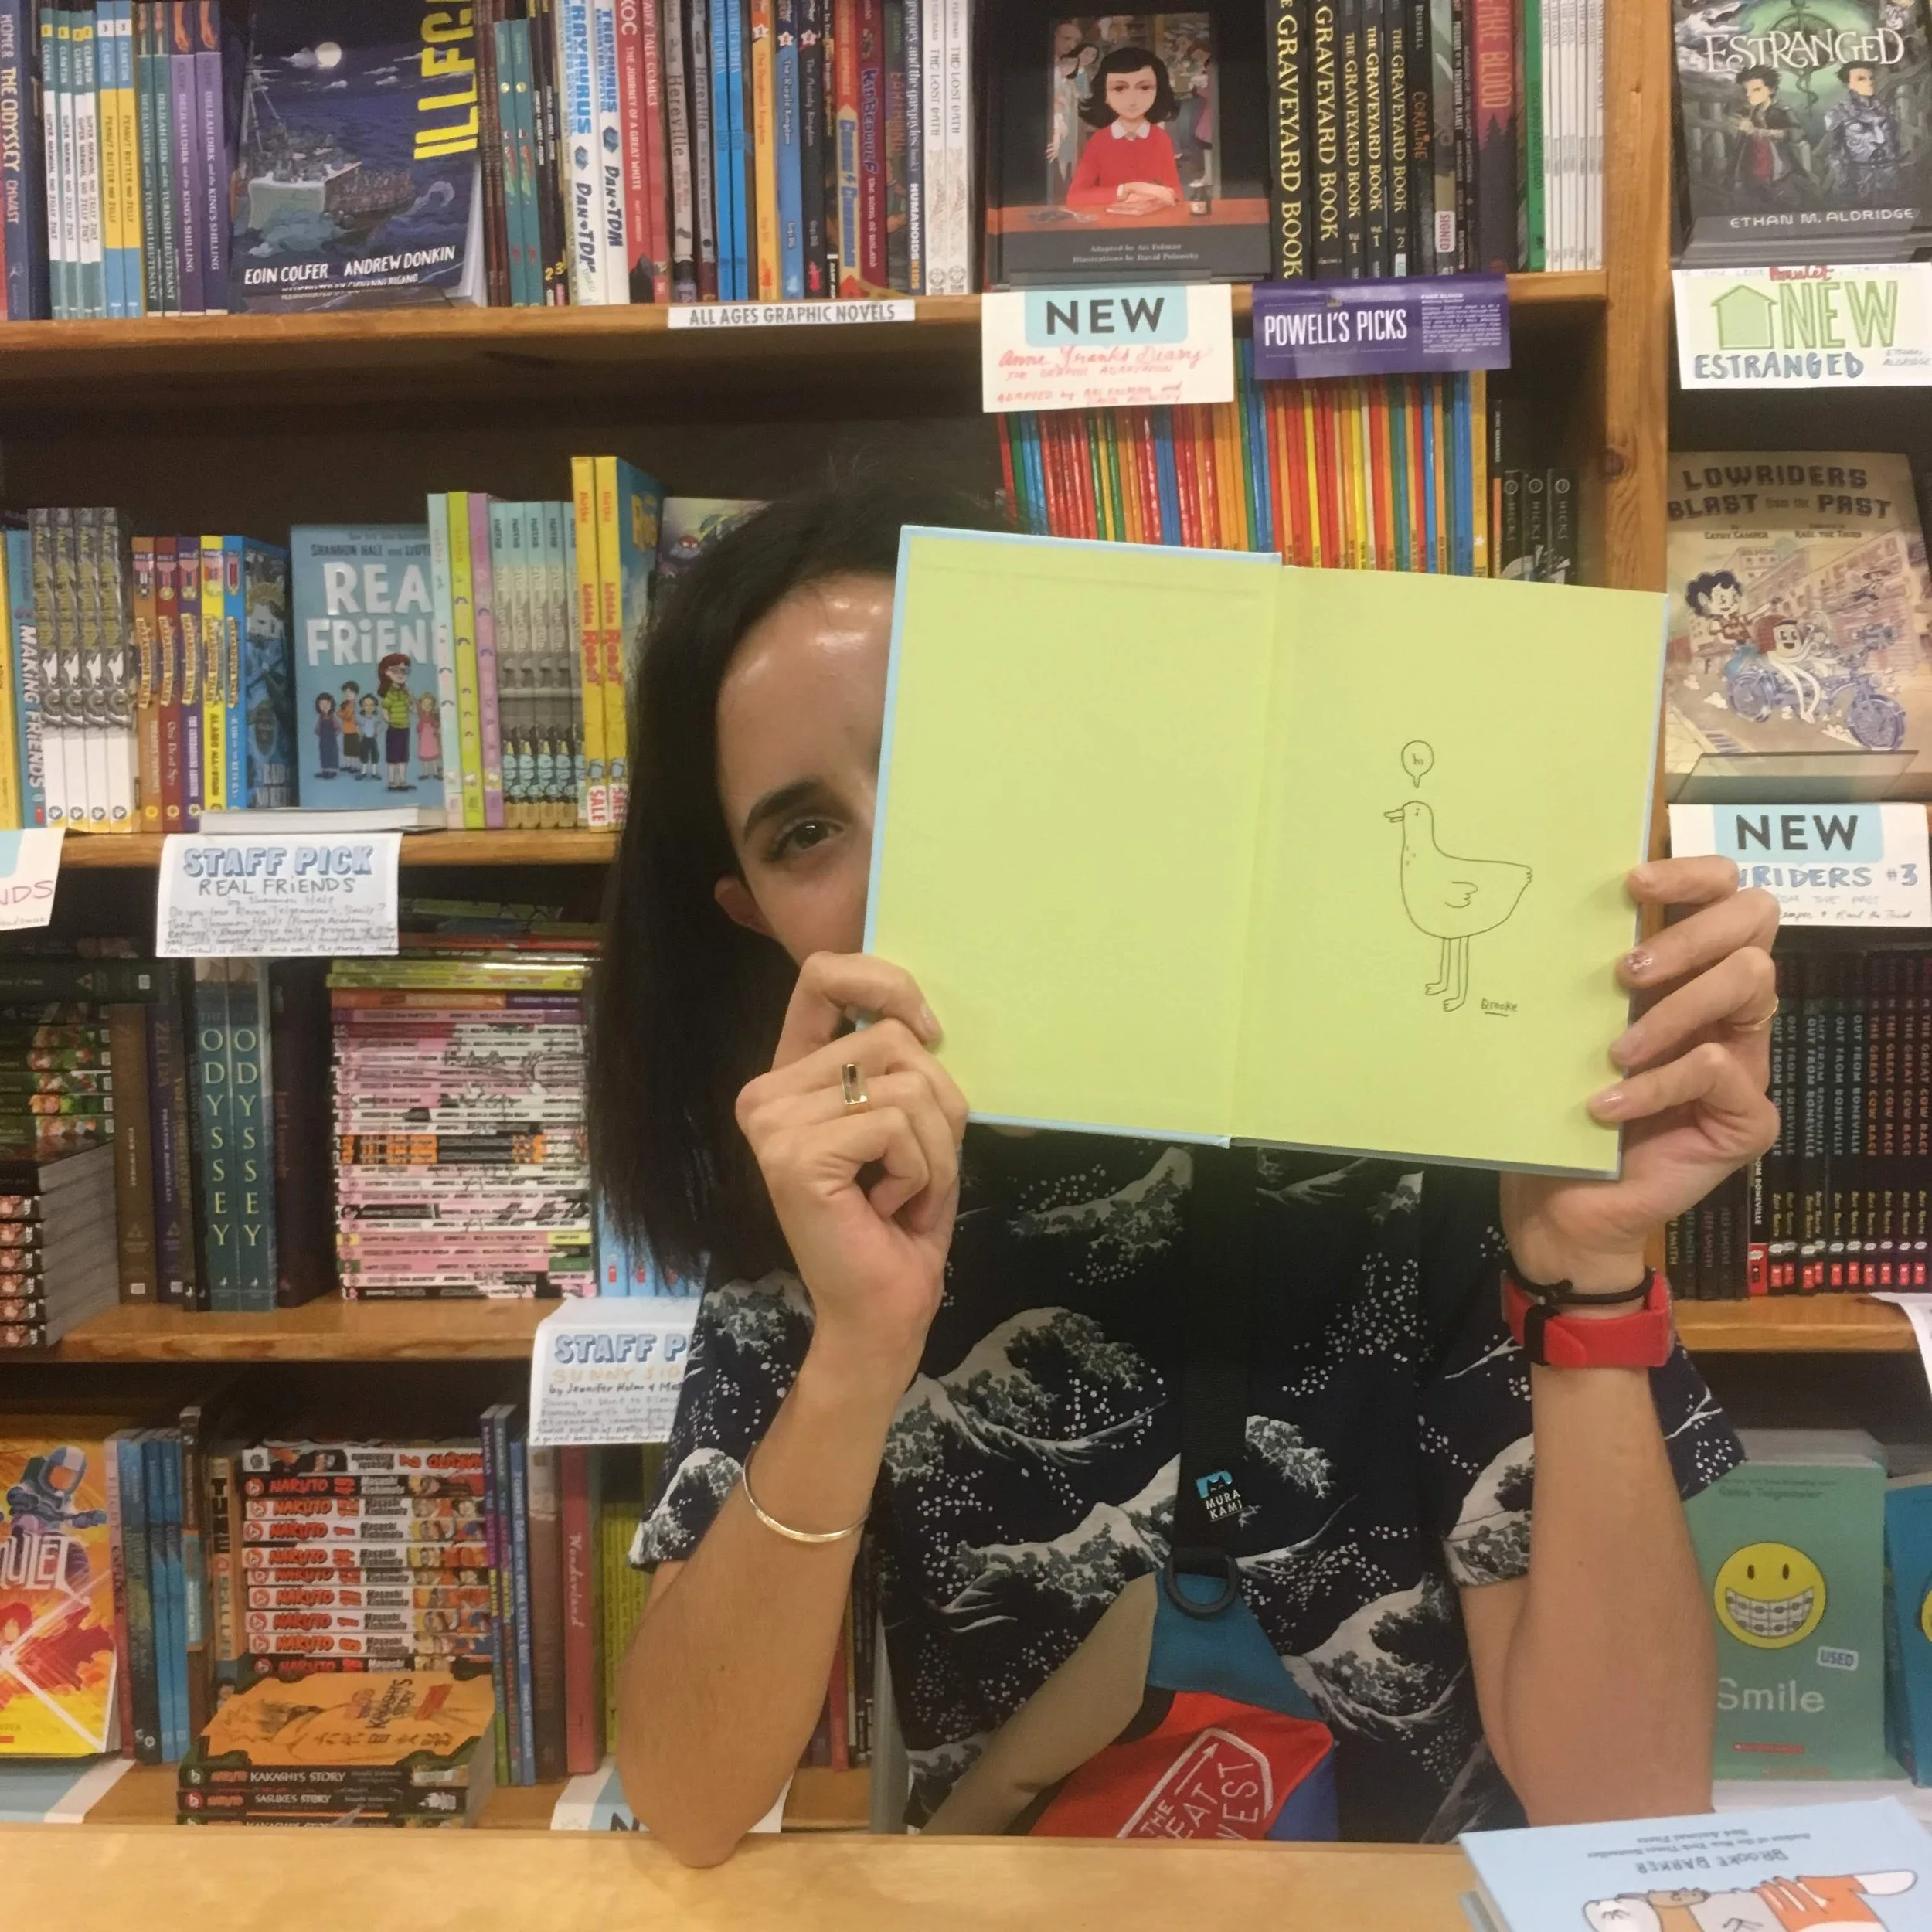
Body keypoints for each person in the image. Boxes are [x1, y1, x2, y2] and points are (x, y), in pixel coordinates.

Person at [590, 474, 1778, 1866]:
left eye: (958, 758)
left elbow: (1627, 1810)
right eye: (807, 833)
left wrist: (1590, 1275)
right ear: (753, 917)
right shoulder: (819, 1203)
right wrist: (858, 1344)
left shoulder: (1414, 1131)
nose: (902, 861)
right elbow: (685, 1802)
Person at [1066, 46, 1184, 212]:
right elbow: (1075, 197)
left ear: (1158, 91)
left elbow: (1176, 192)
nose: (1132, 100)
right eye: (1120, 88)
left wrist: (1155, 199)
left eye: (1144, 88)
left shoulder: (1161, 138)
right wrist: (1129, 189)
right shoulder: (1099, 142)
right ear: (1105, 95)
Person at [1821, 61, 1903, 206]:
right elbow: (1832, 150)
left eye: (1871, 78)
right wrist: (1842, 176)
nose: (1870, 82)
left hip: (1889, 175)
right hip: (1857, 177)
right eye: (1861, 79)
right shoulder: (1838, 113)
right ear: (1848, 84)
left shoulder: (1888, 110)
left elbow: (1896, 142)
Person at [376, 652, 414, 791]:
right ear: (386, 672)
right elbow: (385, 707)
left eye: (404, 671)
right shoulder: (390, 693)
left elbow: (412, 708)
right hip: (394, 729)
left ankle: (403, 782)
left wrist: (410, 697)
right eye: (396, 670)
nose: (401, 674)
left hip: (405, 728)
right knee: (393, 758)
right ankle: (392, 782)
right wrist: (388, 718)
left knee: (403, 758)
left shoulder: (405, 692)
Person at [313, 692, 341, 780]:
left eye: (327, 704)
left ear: (331, 705)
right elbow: (318, 727)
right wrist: (318, 732)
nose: (325, 706)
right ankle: (325, 770)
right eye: (322, 704)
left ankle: (332, 771)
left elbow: (338, 728)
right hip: (323, 739)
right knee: (324, 754)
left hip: (331, 739)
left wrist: (334, 735)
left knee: (332, 754)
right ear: (318, 705)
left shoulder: (332, 716)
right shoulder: (321, 717)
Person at [416, 692, 443, 781]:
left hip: (432, 737)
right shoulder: (421, 715)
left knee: (433, 754)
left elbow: (436, 723)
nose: (427, 706)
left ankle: (435, 772)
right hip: (424, 737)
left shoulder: (433, 715)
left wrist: (437, 728)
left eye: (430, 704)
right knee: (425, 754)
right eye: (425, 704)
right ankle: (425, 773)